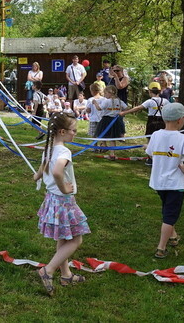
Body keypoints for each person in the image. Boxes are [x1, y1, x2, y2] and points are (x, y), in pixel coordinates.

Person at [33, 113, 89, 296]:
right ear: (63, 131)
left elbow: (43, 168)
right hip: (63, 200)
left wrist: (37, 176)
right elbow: (57, 171)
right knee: (76, 239)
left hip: (52, 199)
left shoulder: (49, 149)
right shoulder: (64, 152)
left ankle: (66, 275)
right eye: (74, 131)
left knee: (63, 237)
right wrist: (65, 188)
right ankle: (47, 271)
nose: (75, 134)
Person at [145, 103, 184, 258]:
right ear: (180, 120)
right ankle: (161, 248)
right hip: (175, 184)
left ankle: (173, 237)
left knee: (167, 210)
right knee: (170, 215)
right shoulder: (183, 138)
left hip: (158, 183)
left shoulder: (155, 135)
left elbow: (150, 153)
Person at [119, 82, 170, 166]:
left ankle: (150, 159)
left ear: (150, 92)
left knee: (150, 140)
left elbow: (138, 108)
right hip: (162, 122)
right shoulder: (166, 101)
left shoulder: (150, 101)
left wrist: (125, 112)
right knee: (161, 140)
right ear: (160, 91)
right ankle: (159, 158)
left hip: (152, 122)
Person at [93, 85, 128, 159]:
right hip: (116, 121)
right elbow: (126, 108)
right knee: (112, 137)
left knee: (102, 133)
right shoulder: (119, 101)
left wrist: (95, 103)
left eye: (105, 93)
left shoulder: (107, 101)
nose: (105, 95)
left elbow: (99, 108)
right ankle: (112, 153)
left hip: (106, 120)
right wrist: (120, 112)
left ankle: (105, 145)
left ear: (109, 93)